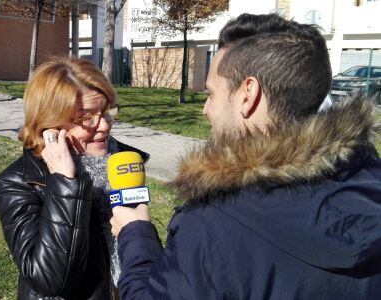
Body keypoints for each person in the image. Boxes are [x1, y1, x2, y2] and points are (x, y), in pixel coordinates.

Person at [110, 13, 381, 299]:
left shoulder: (214, 227)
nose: (205, 110)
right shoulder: (370, 179)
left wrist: (136, 236)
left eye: (211, 94)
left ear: (247, 94)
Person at [0, 56, 148, 299]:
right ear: (50, 125)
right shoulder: (19, 182)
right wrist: (65, 183)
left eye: (106, 111)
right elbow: (50, 280)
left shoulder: (122, 163)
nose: (104, 125)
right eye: (86, 117)